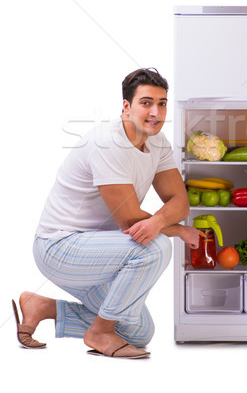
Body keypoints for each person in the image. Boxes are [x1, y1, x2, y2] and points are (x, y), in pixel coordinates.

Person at [12, 68, 200, 359]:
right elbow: (129, 221)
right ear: (126, 106)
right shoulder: (107, 143)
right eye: (146, 102)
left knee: (139, 333)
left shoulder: (157, 142)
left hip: (103, 250)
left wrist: (162, 220)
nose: (156, 112)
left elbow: (179, 202)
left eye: (162, 103)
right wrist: (177, 230)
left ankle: (43, 307)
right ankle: (99, 332)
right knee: (155, 248)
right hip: (60, 247)